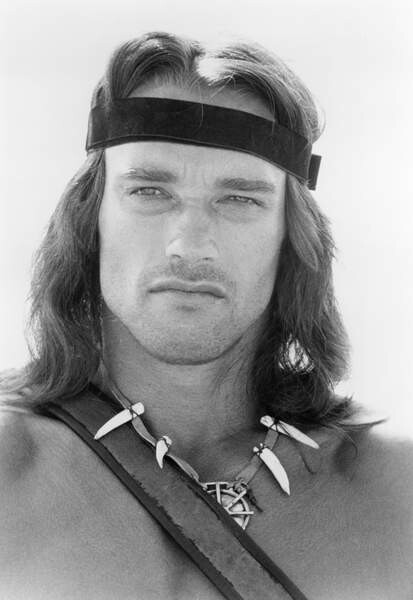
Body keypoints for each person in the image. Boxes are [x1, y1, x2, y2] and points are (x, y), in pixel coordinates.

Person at [0, 30, 412, 600]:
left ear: (292, 237)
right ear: (89, 218)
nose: (189, 246)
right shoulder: (8, 469)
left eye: (239, 199)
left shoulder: (396, 495)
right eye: (149, 191)